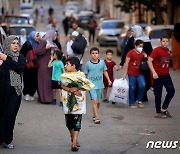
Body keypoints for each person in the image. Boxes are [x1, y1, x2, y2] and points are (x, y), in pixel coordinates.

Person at [61, 57, 94, 151]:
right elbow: (62, 85)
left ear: (73, 66)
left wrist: (77, 89)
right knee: (69, 123)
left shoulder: (81, 76)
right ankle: (73, 138)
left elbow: (87, 86)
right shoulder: (64, 76)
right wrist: (70, 89)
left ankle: (74, 143)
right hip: (67, 101)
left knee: (77, 122)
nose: (65, 66)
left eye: (67, 64)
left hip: (79, 102)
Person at [0, 35, 26, 149]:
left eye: (17, 43)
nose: (16, 45)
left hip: (15, 93)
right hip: (1, 93)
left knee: (10, 117)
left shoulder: (20, 58)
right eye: (13, 43)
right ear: (7, 44)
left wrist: (7, 59)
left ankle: (7, 140)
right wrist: (5, 60)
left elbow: (19, 67)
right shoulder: (1, 59)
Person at [119, 25, 153, 102]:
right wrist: (122, 63)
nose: (132, 33)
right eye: (131, 31)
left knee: (146, 82)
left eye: (133, 31)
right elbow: (126, 52)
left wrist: (151, 62)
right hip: (133, 64)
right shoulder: (131, 40)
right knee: (134, 82)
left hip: (144, 65)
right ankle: (135, 97)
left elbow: (151, 53)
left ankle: (143, 96)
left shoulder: (146, 40)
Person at [147, 35, 175, 118]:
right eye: (163, 41)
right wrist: (154, 72)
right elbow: (149, 61)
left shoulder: (168, 51)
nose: (165, 43)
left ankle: (164, 108)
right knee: (158, 94)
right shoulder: (156, 50)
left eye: (167, 41)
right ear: (160, 41)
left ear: (168, 42)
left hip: (166, 75)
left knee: (171, 91)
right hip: (157, 75)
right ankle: (158, 112)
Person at [84, 47, 111, 124]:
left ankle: (94, 114)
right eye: (93, 53)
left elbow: (105, 71)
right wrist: (83, 84)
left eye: (96, 53)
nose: (94, 55)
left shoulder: (102, 62)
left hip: (100, 85)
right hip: (91, 85)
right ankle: (97, 117)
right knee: (95, 101)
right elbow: (85, 74)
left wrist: (109, 80)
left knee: (98, 102)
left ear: (98, 54)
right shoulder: (88, 64)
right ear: (90, 55)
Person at [122, 40, 147, 108]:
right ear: (135, 46)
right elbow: (126, 63)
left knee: (143, 85)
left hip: (140, 72)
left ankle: (139, 100)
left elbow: (146, 61)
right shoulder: (130, 53)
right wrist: (125, 73)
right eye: (139, 46)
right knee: (132, 88)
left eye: (142, 46)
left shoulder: (142, 52)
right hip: (131, 73)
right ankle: (131, 103)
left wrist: (145, 57)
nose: (141, 48)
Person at [36, 29, 58, 104]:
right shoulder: (44, 42)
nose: (55, 37)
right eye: (54, 35)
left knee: (48, 82)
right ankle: (43, 98)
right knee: (44, 81)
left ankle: (48, 98)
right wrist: (46, 48)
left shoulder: (53, 43)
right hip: (43, 64)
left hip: (50, 64)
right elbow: (38, 51)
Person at [20, 31, 39, 101]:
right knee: (27, 80)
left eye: (38, 36)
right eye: (36, 36)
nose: (38, 38)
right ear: (32, 36)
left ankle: (31, 94)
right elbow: (22, 54)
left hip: (36, 66)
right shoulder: (27, 44)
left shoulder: (38, 44)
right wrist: (25, 61)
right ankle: (26, 94)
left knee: (34, 80)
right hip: (28, 66)